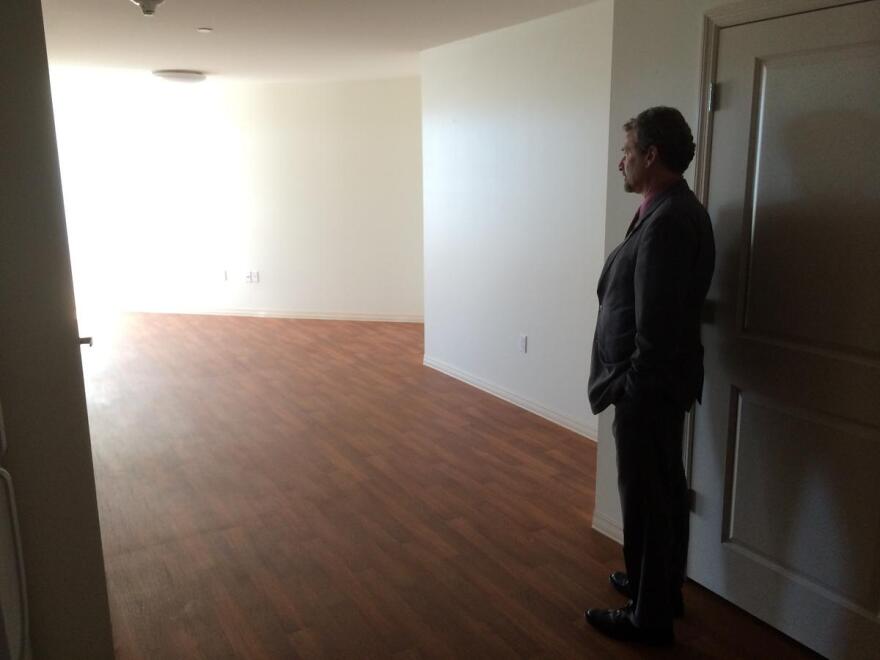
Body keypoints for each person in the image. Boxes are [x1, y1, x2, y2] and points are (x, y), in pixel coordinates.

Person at [585, 107, 715, 645]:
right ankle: (655, 585)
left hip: (648, 390)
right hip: (657, 386)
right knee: (663, 490)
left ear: (651, 155)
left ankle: (648, 616)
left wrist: (631, 390)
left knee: (646, 498)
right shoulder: (664, 208)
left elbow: (656, 333)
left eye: (628, 152)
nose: (621, 162)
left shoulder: (668, 222)